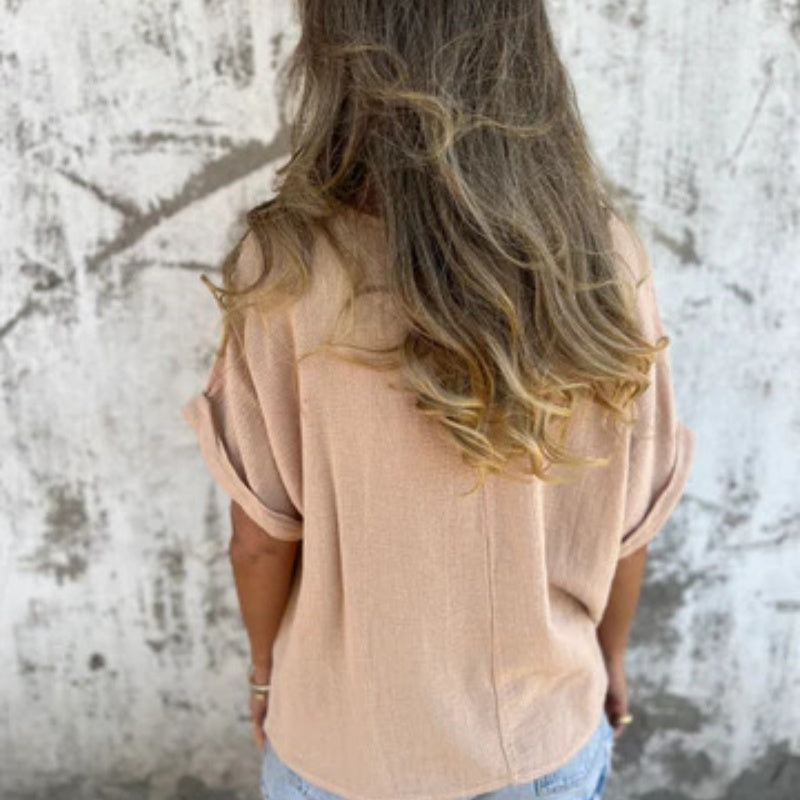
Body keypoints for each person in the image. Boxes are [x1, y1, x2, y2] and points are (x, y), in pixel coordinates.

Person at [180, 2, 696, 799]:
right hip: (540, 736)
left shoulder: (285, 270)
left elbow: (258, 542)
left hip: (338, 746)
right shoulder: (601, 258)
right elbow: (630, 524)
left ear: (338, 52)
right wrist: (611, 657)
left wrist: (263, 672)